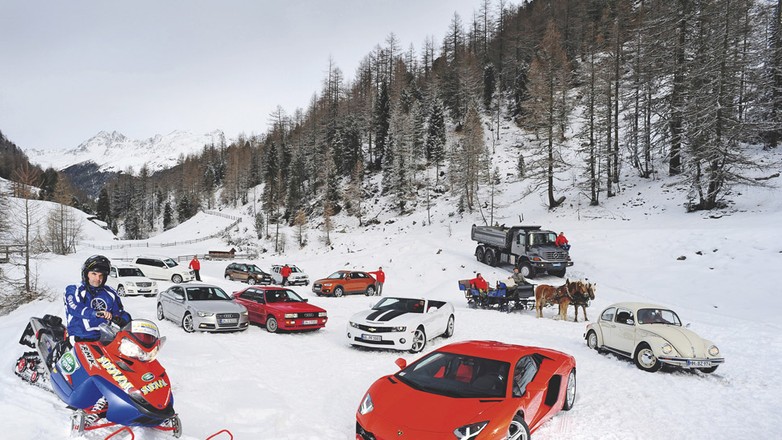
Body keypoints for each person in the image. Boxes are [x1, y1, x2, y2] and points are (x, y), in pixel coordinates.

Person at [65, 255, 132, 342]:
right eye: (94, 274)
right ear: (86, 274)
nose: (97, 279)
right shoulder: (74, 289)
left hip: (105, 338)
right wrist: (96, 313)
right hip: (79, 338)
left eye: (101, 275)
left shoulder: (110, 293)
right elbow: (75, 308)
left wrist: (123, 319)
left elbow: (119, 312)